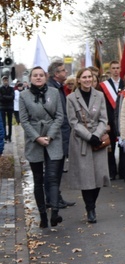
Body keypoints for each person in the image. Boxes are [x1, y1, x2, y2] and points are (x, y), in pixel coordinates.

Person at [19, 67, 64, 229]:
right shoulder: (24, 96)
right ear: (30, 78)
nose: (38, 78)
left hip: (53, 139)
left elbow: (60, 116)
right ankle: (43, 215)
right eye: (35, 75)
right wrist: (37, 137)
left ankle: (55, 213)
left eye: (41, 75)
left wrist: (50, 136)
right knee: (38, 179)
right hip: (34, 140)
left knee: (52, 177)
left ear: (45, 77)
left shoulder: (54, 93)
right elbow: (23, 120)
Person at [67, 67, 111, 223]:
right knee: (86, 178)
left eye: (90, 77)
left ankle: (92, 203)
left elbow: (103, 119)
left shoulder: (99, 96)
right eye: (84, 77)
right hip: (81, 141)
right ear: (78, 79)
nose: (87, 80)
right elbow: (73, 122)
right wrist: (88, 136)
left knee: (99, 175)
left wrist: (96, 135)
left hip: (98, 139)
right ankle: (90, 208)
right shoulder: (71, 98)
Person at [46, 61, 75, 209]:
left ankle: (57, 197)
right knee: (54, 170)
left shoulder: (58, 87)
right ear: (56, 74)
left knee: (58, 169)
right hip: (56, 135)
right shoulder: (51, 88)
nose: (66, 72)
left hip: (62, 133)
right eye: (63, 71)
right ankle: (52, 199)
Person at [100, 61, 124, 180]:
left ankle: (123, 171)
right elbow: (102, 105)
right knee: (110, 148)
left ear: (120, 69)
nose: (115, 70)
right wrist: (105, 123)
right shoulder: (104, 86)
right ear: (110, 69)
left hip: (122, 121)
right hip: (109, 121)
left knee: (123, 147)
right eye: (113, 68)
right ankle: (112, 171)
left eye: (117, 68)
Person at [0, 75, 14, 141]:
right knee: (3, 123)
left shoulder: (11, 89)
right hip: (2, 107)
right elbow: (0, 98)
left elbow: (12, 97)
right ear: (2, 81)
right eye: (4, 80)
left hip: (10, 107)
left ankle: (10, 136)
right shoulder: (0, 89)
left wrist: (4, 97)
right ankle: (5, 136)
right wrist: (7, 97)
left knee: (10, 122)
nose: (5, 81)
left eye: (6, 80)